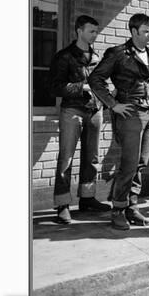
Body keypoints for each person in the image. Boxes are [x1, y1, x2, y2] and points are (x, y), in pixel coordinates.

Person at [89, 13, 149, 231]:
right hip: (129, 113)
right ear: (134, 31)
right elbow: (95, 79)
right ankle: (117, 209)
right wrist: (113, 104)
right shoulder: (118, 53)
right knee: (128, 164)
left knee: (141, 162)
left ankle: (131, 206)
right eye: (146, 31)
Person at [50, 15, 110, 224]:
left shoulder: (97, 56)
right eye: (91, 31)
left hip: (95, 111)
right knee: (66, 158)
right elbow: (55, 87)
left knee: (92, 158)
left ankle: (87, 199)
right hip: (72, 111)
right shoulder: (64, 56)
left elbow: (101, 82)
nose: (95, 34)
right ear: (79, 31)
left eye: (96, 31)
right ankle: (62, 205)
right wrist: (80, 87)